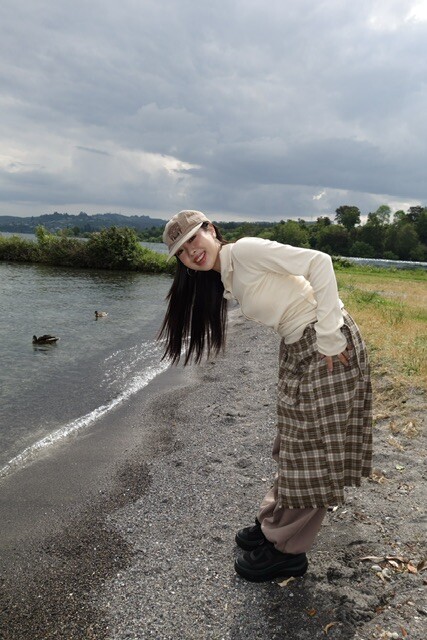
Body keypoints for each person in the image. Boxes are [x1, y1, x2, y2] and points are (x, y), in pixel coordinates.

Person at [158, 210, 372, 582]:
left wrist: (329, 335)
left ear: (211, 230)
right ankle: (274, 522)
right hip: (299, 346)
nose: (191, 251)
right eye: (182, 250)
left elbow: (319, 263)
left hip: (326, 345)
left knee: (311, 452)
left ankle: (287, 551)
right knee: (290, 444)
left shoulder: (246, 251)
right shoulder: (226, 276)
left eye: (194, 238)